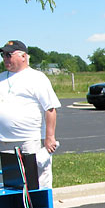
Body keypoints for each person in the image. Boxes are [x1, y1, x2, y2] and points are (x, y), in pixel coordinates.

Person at [0, 40, 61, 188]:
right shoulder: (1, 78)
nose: (5, 59)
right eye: (3, 55)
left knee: (35, 184)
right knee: (11, 186)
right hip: (4, 142)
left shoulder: (37, 78)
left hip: (28, 142)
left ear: (23, 56)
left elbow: (50, 109)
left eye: (9, 55)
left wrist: (50, 137)